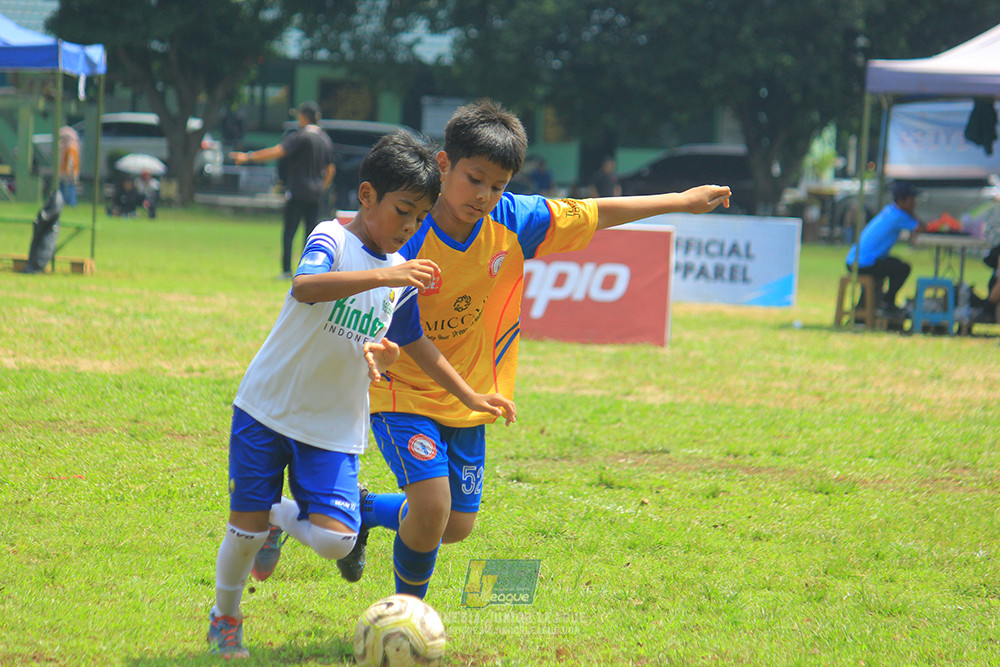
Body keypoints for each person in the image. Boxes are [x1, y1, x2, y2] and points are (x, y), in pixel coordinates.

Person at [351, 100, 730, 600]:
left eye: (498, 185)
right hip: (405, 390)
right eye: (474, 178)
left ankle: (362, 511)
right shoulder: (405, 229)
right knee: (431, 505)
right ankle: (407, 616)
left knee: (455, 525)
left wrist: (680, 201)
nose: (484, 195)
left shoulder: (514, 221)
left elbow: (598, 213)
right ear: (443, 164)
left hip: (473, 397)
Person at [206, 131, 515, 659]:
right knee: (242, 530)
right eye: (403, 211)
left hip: (332, 426)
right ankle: (226, 616)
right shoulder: (331, 238)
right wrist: (388, 273)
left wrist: (469, 394)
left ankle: (279, 517)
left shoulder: (398, 279)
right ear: (366, 196)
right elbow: (305, 288)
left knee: (336, 541)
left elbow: (414, 342)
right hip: (268, 407)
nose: (410, 227)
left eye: (419, 218)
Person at [230, 101, 335, 279]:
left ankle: (287, 270)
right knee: (311, 235)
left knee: (289, 232)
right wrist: (322, 188)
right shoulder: (325, 139)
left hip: (298, 191)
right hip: (316, 194)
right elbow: (330, 170)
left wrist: (247, 157)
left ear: (304, 116)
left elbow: (277, 151)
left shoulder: (300, 136)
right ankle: (308, 271)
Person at [845, 181, 928, 317]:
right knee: (903, 268)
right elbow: (922, 228)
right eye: (911, 200)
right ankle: (887, 302)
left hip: (855, 259)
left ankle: (868, 306)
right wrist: (912, 213)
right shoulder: (899, 216)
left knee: (894, 265)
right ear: (901, 201)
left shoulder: (890, 210)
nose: (914, 203)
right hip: (865, 263)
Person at [58, 126, 80, 207]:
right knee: (66, 186)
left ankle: (72, 202)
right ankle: (66, 201)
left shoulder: (71, 146)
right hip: (66, 170)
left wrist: (68, 170)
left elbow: (70, 160)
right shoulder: (68, 146)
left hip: (69, 171)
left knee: (70, 187)